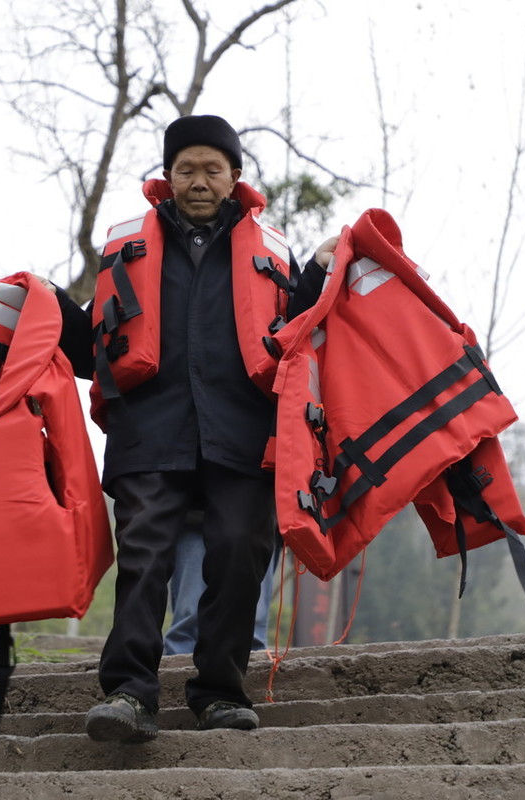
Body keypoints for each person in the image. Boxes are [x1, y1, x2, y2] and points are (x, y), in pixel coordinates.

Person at [52, 114, 335, 742]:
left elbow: (300, 332)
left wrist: (321, 267)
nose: (199, 180)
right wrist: (46, 305)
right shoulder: (125, 245)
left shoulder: (276, 250)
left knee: (240, 556)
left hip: (243, 434)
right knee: (145, 561)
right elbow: (89, 346)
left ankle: (219, 693)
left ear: (235, 177)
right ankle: (129, 693)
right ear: (168, 176)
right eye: (187, 169)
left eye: (213, 169)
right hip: (149, 432)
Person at [163, 517, 279, 656]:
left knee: (252, 622)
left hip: (257, 517)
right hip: (198, 513)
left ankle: (251, 661)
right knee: (190, 618)